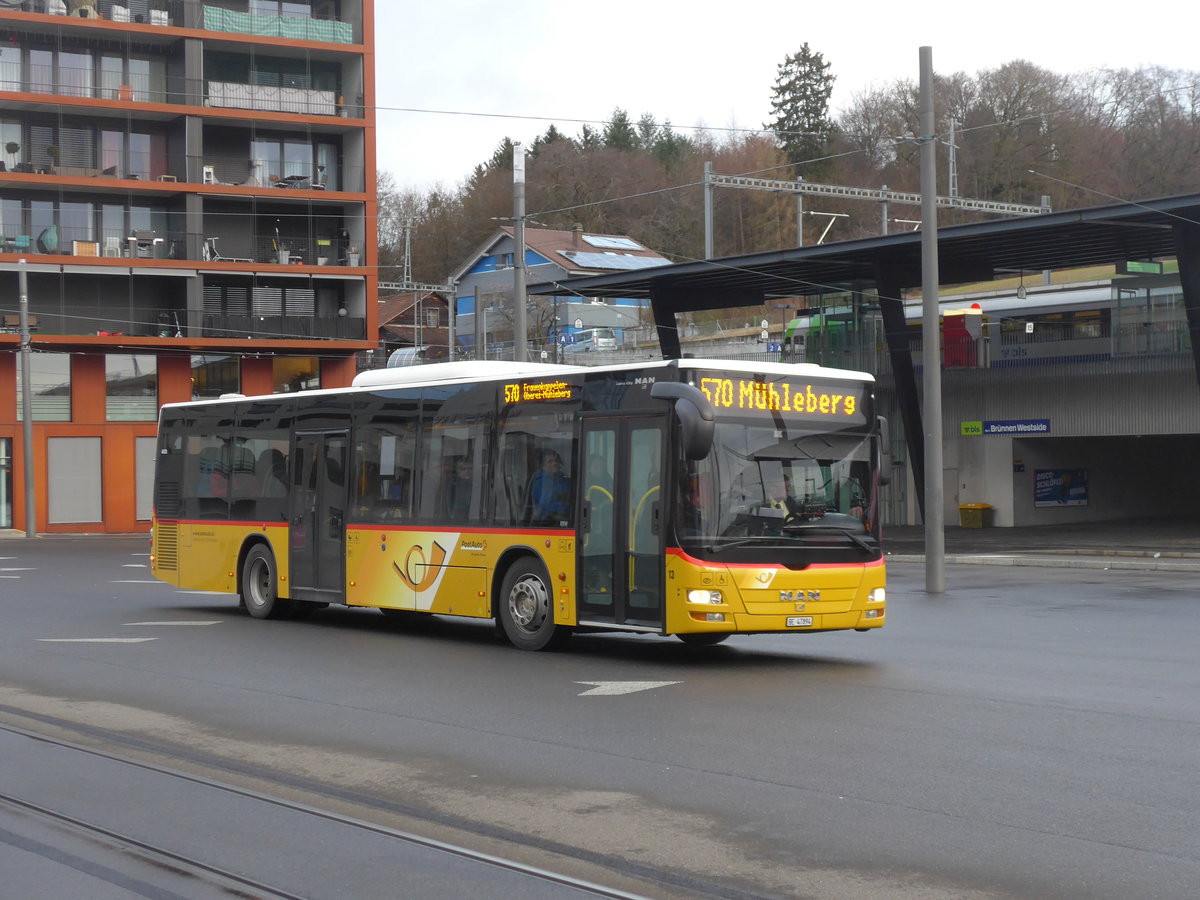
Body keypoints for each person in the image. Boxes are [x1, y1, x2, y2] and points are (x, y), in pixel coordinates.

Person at [528, 449, 571, 523]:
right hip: (547, 522)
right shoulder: (540, 482)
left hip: (567, 520)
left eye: (556, 460)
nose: (554, 463)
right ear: (543, 466)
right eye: (550, 461)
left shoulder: (566, 480)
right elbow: (544, 505)